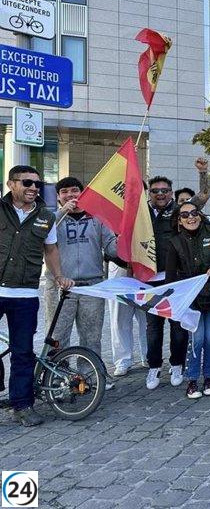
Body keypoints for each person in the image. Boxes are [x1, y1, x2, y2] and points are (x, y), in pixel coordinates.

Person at [0, 165, 73, 426]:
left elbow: (50, 250)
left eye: (37, 184)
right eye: (27, 183)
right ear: (11, 185)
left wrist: (58, 275)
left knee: (23, 352)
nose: (33, 188)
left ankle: (22, 405)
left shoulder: (46, 216)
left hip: (26, 293)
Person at [44, 177, 118, 390]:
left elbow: (111, 247)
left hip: (92, 285)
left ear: (83, 193)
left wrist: (123, 242)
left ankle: (90, 375)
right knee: (58, 336)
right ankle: (58, 377)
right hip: (60, 286)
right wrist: (62, 212)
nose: (70, 195)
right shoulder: (52, 219)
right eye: (64, 192)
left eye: (75, 190)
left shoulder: (97, 218)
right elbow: (42, 235)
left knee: (91, 335)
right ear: (58, 197)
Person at [165, 201, 210, 399]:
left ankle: (209, 377)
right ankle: (192, 380)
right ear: (179, 220)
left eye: (194, 213)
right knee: (198, 339)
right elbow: (170, 277)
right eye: (185, 215)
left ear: (200, 215)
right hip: (191, 300)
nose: (190, 217)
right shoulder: (174, 242)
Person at [175, 158, 210, 373]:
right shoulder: (170, 219)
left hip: (209, 289)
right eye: (184, 211)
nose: (189, 215)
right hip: (179, 285)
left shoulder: (206, 228)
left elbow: (205, 193)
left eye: (192, 208)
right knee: (189, 335)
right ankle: (182, 368)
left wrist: (203, 172)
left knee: (209, 335)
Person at [145, 175, 188, 390]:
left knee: (177, 326)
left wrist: (202, 173)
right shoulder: (139, 213)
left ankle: (177, 364)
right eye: (155, 191)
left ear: (171, 192)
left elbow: (202, 198)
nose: (160, 194)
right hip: (149, 281)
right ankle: (153, 367)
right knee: (153, 328)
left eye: (164, 190)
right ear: (149, 193)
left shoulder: (180, 212)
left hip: (175, 278)